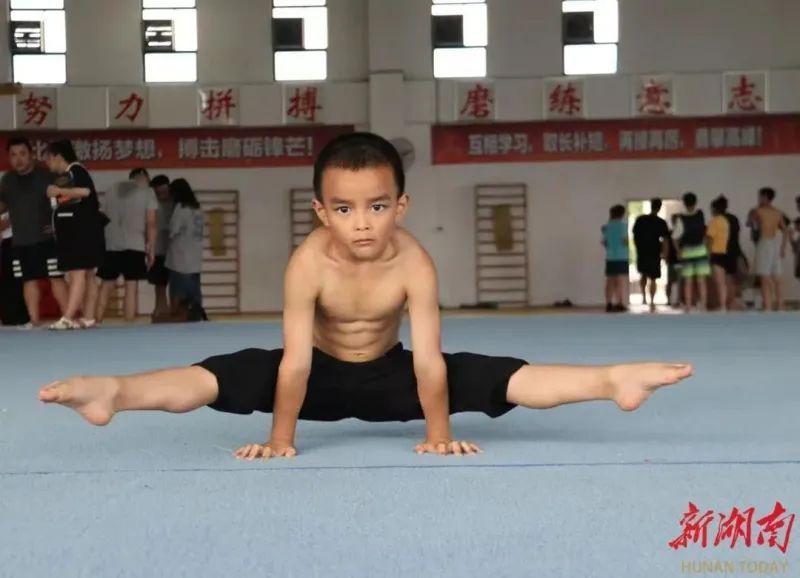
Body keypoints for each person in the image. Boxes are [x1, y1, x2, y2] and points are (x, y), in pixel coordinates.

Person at [37, 132, 693, 459]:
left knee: (488, 373)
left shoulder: (415, 261)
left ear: (400, 205)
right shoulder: (307, 264)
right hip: (315, 377)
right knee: (230, 372)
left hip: (392, 380)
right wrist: (282, 440)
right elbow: (294, 364)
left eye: (378, 206)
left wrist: (438, 434)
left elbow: (431, 359)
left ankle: (613, 380)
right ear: (322, 211)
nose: (362, 223)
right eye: (346, 208)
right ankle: (114, 393)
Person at [0, 137, 68, 327]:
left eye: (22, 154)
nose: (18, 159)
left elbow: (65, 203)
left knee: (56, 278)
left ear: (31, 155)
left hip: (47, 239)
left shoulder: (47, 176)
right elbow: (3, 205)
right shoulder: (8, 180)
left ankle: (68, 317)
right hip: (20, 241)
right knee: (28, 281)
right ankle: (34, 321)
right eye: (13, 155)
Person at [44, 140, 106, 330]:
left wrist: (58, 191)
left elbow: (85, 191)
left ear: (58, 156)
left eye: (48, 158)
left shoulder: (76, 170)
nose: (46, 162)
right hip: (80, 231)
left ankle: (68, 317)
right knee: (87, 274)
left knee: (78, 272)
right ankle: (88, 317)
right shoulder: (66, 175)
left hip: (83, 231)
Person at [94, 168, 157, 323]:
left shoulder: (111, 190)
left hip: (111, 243)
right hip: (134, 244)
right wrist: (152, 250)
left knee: (106, 285)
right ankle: (129, 324)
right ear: (144, 179)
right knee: (131, 286)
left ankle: (96, 320)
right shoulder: (147, 192)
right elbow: (152, 223)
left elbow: (101, 217)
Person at [166, 178, 205, 321]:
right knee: (194, 290)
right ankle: (196, 313)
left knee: (179, 291)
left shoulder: (181, 208)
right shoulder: (197, 208)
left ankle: (179, 316)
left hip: (180, 257)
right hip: (195, 256)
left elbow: (173, 229)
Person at [749, 187, 789, 311]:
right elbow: (786, 230)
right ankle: (780, 304)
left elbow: (750, 223)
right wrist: (783, 247)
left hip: (765, 242)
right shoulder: (778, 212)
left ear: (765, 197)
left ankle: (768, 305)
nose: (759, 199)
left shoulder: (758, 211)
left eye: (760, 196)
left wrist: (754, 212)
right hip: (775, 243)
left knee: (764, 275)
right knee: (777, 275)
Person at [673, 192, 709, 313]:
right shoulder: (701, 215)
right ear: (695, 202)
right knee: (701, 280)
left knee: (688, 281)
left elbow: (675, 238)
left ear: (684, 203)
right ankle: (703, 305)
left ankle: (688, 306)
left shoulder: (680, 219)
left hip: (687, 251)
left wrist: (678, 251)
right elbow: (706, 233)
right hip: (701, 250)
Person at [632, 199, 669, 311]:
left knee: (643, 275)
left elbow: (635, 236)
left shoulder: (641, 220)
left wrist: (638, 247)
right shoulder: (661, 222)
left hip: (642, 251)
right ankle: (652, 301)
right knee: (653, 278)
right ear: (659, 207)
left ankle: (644, 297)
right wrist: (665, 254)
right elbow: (666, 240)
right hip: (654, 252)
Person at [148, 174, 173, 322]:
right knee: (159, 284)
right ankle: (159, 310)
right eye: (159, 192)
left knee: (171, 285)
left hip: (172, 251)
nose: (162, 195)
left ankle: (166, 310)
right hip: (157, 250)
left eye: (165, 191)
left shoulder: (176, 203)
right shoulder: (152, 204)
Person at [0, 210, 30, 326]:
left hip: (19, 240)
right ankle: (11, 316)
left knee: (17, 279)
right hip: (9, 242)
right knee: (10, 280)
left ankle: (19, 316)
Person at [601, 204, 629, 313]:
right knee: (620, 281)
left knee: (610, 281)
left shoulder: (607, 226)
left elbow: (604, 242)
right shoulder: (623, 226)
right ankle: (620, 303)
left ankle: (608, 303)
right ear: (622, 214)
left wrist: (611, 247)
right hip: (621, 257)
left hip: (610, 257)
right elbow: (625, 241)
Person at [706, 197, 730, 312]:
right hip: (724, 252)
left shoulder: (714, 221)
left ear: (714, 209)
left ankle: (722, 306)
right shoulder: (725, 221)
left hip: (716, 252)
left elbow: (710, 239)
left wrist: (708, 253)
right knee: (722, 281)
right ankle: (722, 305)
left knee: (719, 281)